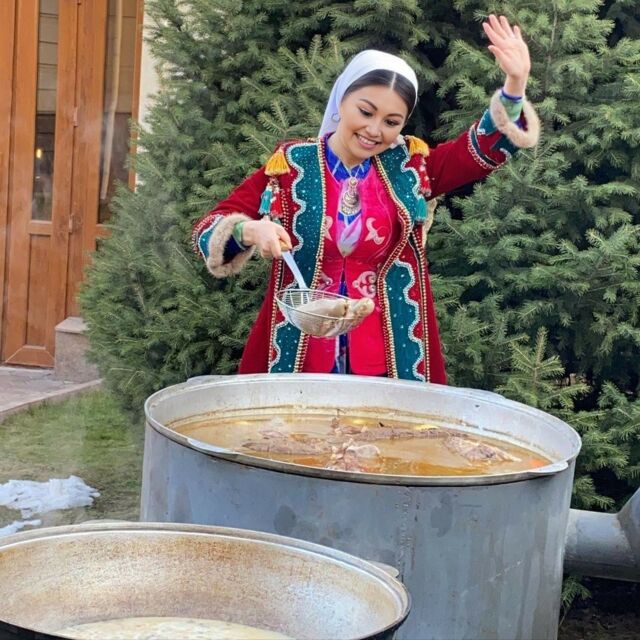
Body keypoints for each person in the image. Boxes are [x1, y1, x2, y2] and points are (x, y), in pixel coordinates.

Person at [192, 14, 540, 383]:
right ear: (342, 100)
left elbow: (480, 151)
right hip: (300, 352)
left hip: (389, 356)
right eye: (365, 112)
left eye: (392, 122)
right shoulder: (291, 165)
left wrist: (515, 85)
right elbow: (208, 229)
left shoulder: (410, 166)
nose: (374, 130)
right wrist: (249, 231)